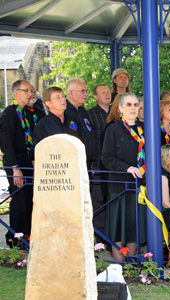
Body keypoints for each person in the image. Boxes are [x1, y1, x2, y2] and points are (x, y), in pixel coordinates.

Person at [101, 93, 146, 262]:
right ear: (120, 109)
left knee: (134, 227)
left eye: (136, 105)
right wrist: (128, 168)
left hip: (140, 186)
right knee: (118, 228)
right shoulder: (113, 129)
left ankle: (132, 265)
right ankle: (119, 266)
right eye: (129, 105)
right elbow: (106, 158)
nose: (133, 108)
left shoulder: (146, 128)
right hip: (119, 186)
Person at [0, 80, 44, 246]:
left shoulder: (31, 112)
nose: (30, 94)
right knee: (19, 201)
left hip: (30, 161)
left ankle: (30, 237)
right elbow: (6, 143)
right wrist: (15, 168)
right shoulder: (10, 113)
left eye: (32, 91)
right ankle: (16, 240)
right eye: (26, 91)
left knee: (30, 200)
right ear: (16, 93)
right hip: (16, 162)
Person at [87, 84, 111, 236]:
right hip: (97, 165)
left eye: (108, 91)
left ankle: (113, 234)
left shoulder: (117, 113)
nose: (107, 94)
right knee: (99, 202)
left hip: (114, 167)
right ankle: (100, 237)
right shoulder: (90, 115)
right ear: (95, 97)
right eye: (103, 92)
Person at [65, 78, 96, 163]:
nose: (86, 94)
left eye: (86, 91)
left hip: (87, 161)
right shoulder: (64, 112)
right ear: (71, 93)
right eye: (82, 91)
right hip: (74, 162)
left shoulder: (83, 111)